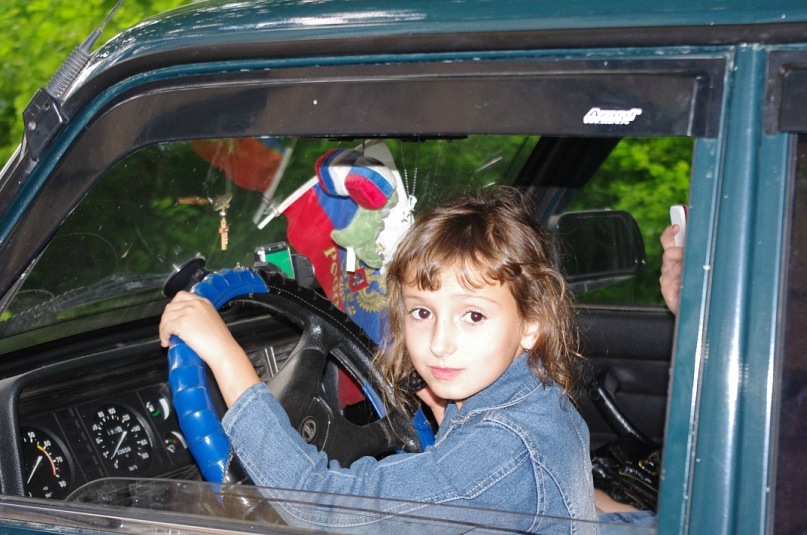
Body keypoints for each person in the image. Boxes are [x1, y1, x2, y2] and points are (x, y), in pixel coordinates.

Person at [159, 186, 597, 533]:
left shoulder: (500, 451)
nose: (440, 344)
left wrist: (226, 356)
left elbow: (314, 500)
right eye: (422, 312)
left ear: (531, 324)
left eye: (474, 316)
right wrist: (452, 426)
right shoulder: (540, 400)